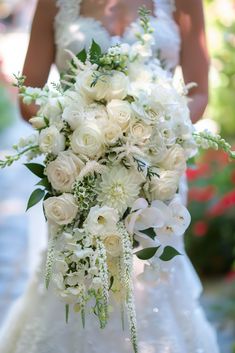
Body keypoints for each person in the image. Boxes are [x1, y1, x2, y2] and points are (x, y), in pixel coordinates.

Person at [0, 1, 219, 352]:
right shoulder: (54, 4)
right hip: (77, 171)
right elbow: (29, 98)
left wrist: (153, 127)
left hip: (156, 169)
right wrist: (81, 124)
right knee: (79, 270)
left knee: (151, 273)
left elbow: (200, 92)